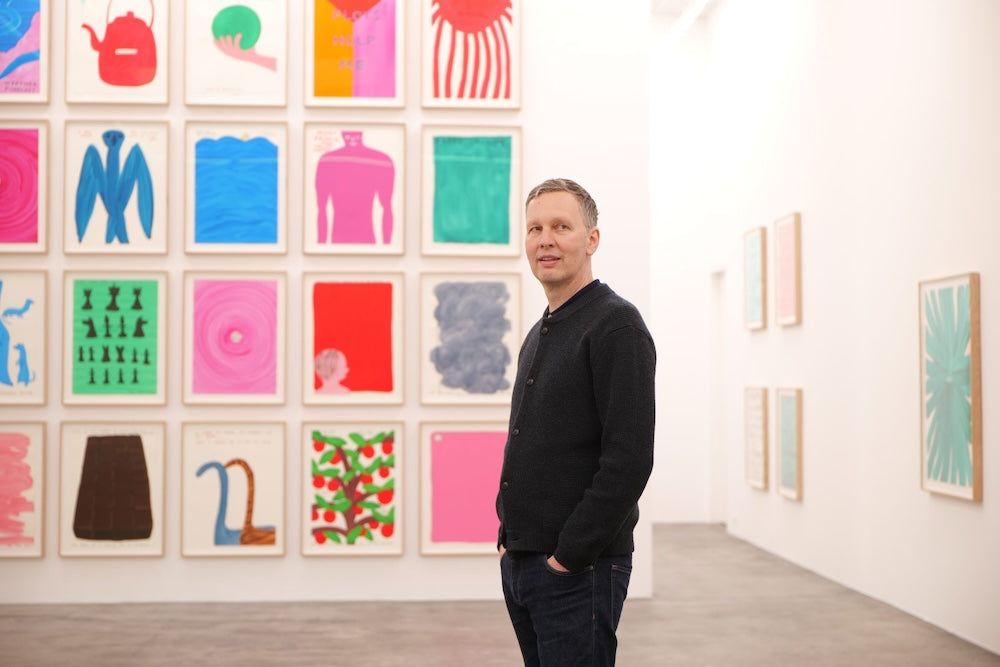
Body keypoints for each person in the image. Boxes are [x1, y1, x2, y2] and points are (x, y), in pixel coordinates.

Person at [496, 178, 656, 666]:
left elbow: (629, 460)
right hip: (526, 563)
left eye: (561, 227)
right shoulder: (540, 331)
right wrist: (508, 536)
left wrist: (568, 557)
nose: (545, 240)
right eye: (534, 229)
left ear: (592, 239)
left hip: (578, 570)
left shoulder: (616, 326)